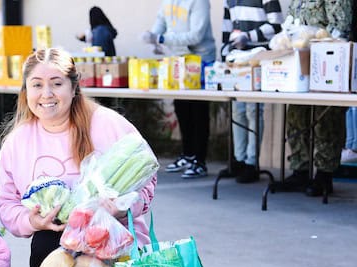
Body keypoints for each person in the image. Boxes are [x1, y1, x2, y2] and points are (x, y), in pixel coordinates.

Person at [0, 48, 157, 267]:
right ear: (26, 90)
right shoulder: (17, 142)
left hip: (112, 236)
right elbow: (5, 203)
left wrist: (122, 208)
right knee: (44, 241)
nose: (47, 93)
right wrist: (31, 219)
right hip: (60, 243)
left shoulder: (107, 124)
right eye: (37, 84)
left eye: (56, 83)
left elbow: (148, 180)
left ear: (73, 86)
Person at [282, 0, 352, 196]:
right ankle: (300, 170)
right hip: (301, 62)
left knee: (326, 119)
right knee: (296, 115)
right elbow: (291, 22)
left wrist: (316, 39)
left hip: (328, 61)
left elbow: (341, 27)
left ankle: (324, 174)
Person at [142, 0, 216, 178]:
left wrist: (161, 39)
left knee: (198, 109)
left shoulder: (199, 2)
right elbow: (160, 24)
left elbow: (196, 35)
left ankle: (199, 160)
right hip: (177, 60)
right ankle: (188, 154)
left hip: (199, 59)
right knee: (182, 107)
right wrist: (153, 37)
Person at [221, 0, 283, 183]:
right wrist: (225, 54)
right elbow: (227, 28)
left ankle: (251, 162)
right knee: (238, 110)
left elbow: (276, 25)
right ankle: (238, 160)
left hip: (258, 57)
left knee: (254, 111)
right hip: (237, 61)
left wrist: (249, 36)